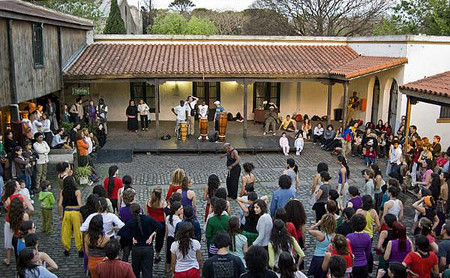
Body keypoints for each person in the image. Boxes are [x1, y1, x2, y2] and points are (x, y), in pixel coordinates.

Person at [117, 203, 164, 278]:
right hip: (148, 248)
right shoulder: (148, 219)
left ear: (131, 212)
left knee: (135, 271)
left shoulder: (131, 222)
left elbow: (121, 232)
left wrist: (132, 237)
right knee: (147, 272)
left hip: (136, 249)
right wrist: (152, 235)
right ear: (140, 210)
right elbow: (160, 226)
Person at [58, 176, 83, 257]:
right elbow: (80, 205)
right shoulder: (77, 192)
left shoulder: (62, 192)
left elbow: (59, 205)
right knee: (77, 231)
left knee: (66, 231)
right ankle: (80, 249)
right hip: (75, 213)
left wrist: (60, 215)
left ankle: (66, 249)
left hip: (67, 212)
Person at [308, 214, 336, 278]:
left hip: (317, 258)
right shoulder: (334, 235)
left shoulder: (319, 234)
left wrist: (317, 224)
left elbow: (309, 230)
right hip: (328, 258)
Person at [145, 186, 166, 263]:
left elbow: (147, 213)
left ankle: (148, 254)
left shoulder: (148, 202)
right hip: (160, 224)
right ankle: (157, 256)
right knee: (159, 240)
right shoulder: (163, 204)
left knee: (149, 238)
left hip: (150, 222)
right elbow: (164, 216)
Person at [166, 201, 183, 271]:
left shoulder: (168, 217)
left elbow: (166, 229)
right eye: (181, 209)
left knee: (169, 253)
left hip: (169, 237)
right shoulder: (179, 221)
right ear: (176, 210)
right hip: (175, 239)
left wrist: (166, 236)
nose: (182, 210)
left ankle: (168, 266)